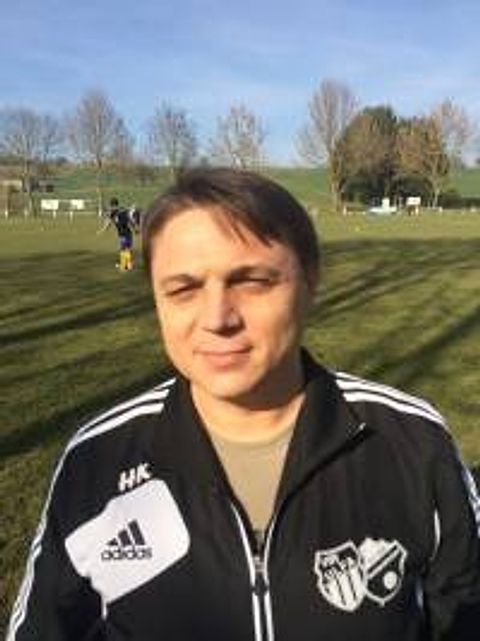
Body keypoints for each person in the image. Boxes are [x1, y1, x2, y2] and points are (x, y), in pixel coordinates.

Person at [7, 168, 480, 641]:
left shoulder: (412, 442)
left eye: (252, 281)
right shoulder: (96, 460)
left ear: (311, 282)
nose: (217, 318)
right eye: (183, 289)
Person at [99, 197, 138, 271]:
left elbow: (108, 223)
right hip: (129, 233)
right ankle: (129, 265)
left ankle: (123, 266)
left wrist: (103, 230)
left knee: (123, 249)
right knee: (127, 249)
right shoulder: (121, 211)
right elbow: (130, 220)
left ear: (113, 205)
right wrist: (135, 229)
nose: (110, 207)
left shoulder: (114, 213)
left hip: (123, 234)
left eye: (111, 206)